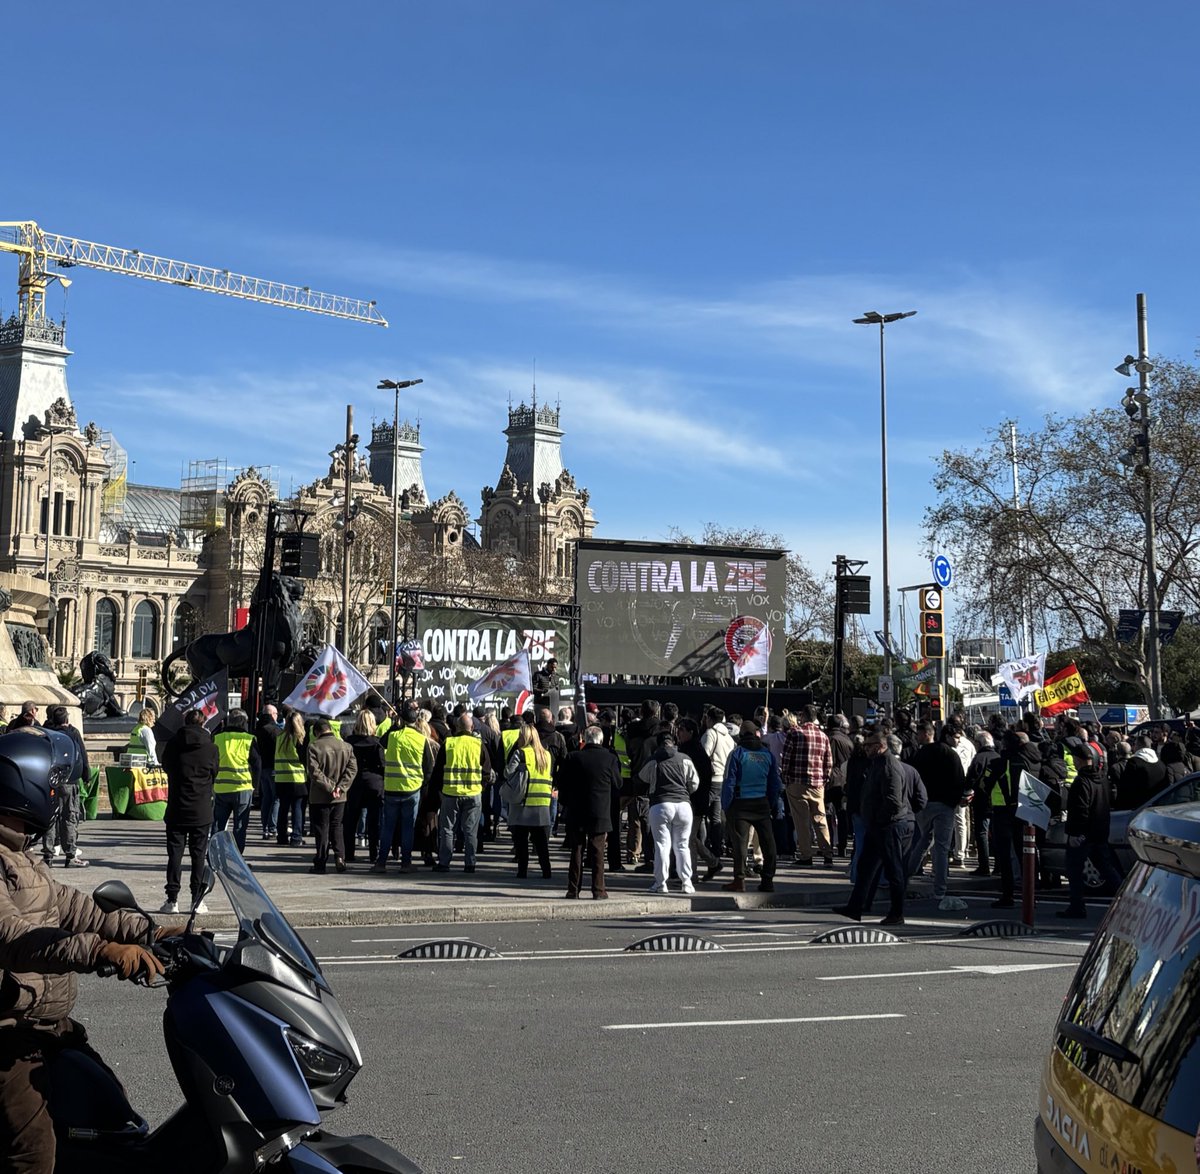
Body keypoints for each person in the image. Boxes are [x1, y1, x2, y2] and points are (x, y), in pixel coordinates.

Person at [0, 729, 175, 1174]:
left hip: (47, 1026)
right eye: (55, 785)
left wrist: (149, 931)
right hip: (7, 1033)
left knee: (111, 1116)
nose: (60, 794)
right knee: (34, 1152)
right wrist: (101, 951)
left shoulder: (20, 852)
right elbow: (13, 936)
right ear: (29, 787)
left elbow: (77, 908)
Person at [834, 729, 923, 926]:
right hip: (878, 826)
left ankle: (896, 912)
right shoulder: (878, 763)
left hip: (888, 826)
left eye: (869, 745)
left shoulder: (889, 766)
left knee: (894, 870)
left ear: (880, 746)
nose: (865, 748)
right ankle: (855, 906)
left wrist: (880, 819)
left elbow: (893, 801)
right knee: (866, 867)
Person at [159, 707, 219, 914]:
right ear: (203, 723)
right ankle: (196, 899)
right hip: (201, 808)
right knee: (198, 855)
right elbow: (214, 773)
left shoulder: (174, 744)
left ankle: (172, 899)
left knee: (174, 855)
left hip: (177, 806)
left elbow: (165, 765)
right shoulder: (211, 748)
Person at [905, 722, 968, 905]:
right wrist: (955, 801)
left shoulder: (921, 753)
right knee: (941, 846)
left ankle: (905, 877)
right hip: (945, 805)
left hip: (924, 804)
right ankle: (940, 888)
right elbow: (960, 779)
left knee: (924, 840)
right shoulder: (951, 755)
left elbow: (913, 778)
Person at [1058, 743, 1123, 919]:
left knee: (1074, 869)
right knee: (1106, 867)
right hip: (1100, 831)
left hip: (1082, 834)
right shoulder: (1101, 779)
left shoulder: (1082, 782)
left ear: (1078, 760)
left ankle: (1077, 906)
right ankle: (1124, 900)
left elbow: (1080, 810)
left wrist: (1074, 834)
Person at [720, 719, 783, 894]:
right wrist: (770, 803)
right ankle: (768, 880)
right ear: (756, 734)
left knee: (740, 844)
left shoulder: (737, 753)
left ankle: (739, 881)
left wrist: (726, 805)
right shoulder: (767, 754)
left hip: (740, 804)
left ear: (740, 735)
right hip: (761, 803)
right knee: (768, 842)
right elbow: (775, 784)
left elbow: (729, 782)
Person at [558, 726, 620, 899]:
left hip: (577, 811)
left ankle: (573, 889)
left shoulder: (573, 757)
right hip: (600, 810)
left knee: (576, 850)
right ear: (601, 740)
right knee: (598, 850)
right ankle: (599, 890)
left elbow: (562, 782)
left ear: (584, 739)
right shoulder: (610, 758)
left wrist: (566, 802)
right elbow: (617, 784)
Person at [638, 726, 699, 895]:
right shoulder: (685, 758)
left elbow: (643, 777)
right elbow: (694, 783)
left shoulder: (654, 760)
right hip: (684, 805)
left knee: (662, 846)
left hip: (660, 804)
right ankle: (687, 883)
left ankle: (660, 883)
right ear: (674, 742)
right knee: (682, 846)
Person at [376, 704, 436, 873]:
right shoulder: (421, 739)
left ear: (401, 720)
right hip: (412, 789)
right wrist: (421, 784)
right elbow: (428, 767)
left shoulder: (394, 736)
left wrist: (396, 724)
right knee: (408, 828)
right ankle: (406, 863)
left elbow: (381, 742)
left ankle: (381, 862)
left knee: (388, 827)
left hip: (392, 788)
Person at [433, 713, 489, 873]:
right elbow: (486, 771)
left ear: (457, 727)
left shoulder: (449, 743)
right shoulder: (479, 745)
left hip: (451, 792)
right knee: (470, 831)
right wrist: (481, 788)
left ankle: (444, 862)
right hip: (473, 794)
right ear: (472, 727)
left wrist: (439, 790)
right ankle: (470, 864)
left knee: (447, 830)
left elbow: (438, 770)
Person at [780, 704, 834, 866]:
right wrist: (824, 779)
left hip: (797, 782)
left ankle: (806, 855)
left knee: (801, 821)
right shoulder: (823, 736)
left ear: (802, 716)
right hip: (817, 784)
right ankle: (828, 853)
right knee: (820, 818)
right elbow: (828, 762)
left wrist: (785, 776)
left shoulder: (794, 733)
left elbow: (786, 759)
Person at [40, 706, 88, 868]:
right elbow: (82, 755)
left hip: (51, 780)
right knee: (69, 816)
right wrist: (86, 775)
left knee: (51, 817)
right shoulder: (72, 733)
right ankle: (70, 854)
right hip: (69, 780)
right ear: (67, 719)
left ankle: (48, 854)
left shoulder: (46, 733)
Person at [505, 724, 555, 879]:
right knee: (541, 843)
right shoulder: (546, 755)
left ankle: (522, 871)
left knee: (521, 842)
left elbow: (508, 773)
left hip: (524, 802)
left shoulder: (521, 753)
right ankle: (546, 871)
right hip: (543, 803)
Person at [306, 717, 355, 874]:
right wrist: (340, 787)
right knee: (337, 826)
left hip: (320, 795)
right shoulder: (346, 746)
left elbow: (314, 773)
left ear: (317, 732)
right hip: (340, 796)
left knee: (322, 828)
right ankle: (340, 857)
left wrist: (330, 786)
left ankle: (321, 861)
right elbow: (352, 769)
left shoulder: (314, 747)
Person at [212, 709, 259, 853]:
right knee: (240, 826)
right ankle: (238, 859)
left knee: (218, 824)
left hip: (221, 788)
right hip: (242, 788)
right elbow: (257, 764)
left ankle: (214, 854)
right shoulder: (249, 739)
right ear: (244, 722)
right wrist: (256, 788)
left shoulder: (217, 738)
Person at [344, 710, 385, 866]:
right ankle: (374, 853)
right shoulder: (377, 743)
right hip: (374, 783)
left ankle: (349, 852)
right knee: (374, 822)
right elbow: (382, 765)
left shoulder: (349, 741)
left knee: (351, 820)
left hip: (354, 783)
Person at [273, 710, 308, 847]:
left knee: (283, 808)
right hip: (297, 779)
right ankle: (296, 837)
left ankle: (281, 837)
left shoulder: (280, 737)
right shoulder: (300, 738)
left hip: (281, 778)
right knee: (297, 809)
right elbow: (304, 759)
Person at [255, 703, 282, 841]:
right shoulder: (275, 731)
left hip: (262, 768)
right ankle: (272, 828)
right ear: (272, 714)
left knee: (266, 798)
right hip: (274, 767)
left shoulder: (257, 729)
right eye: (276, 714)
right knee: (276, 798)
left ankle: (265, 827)